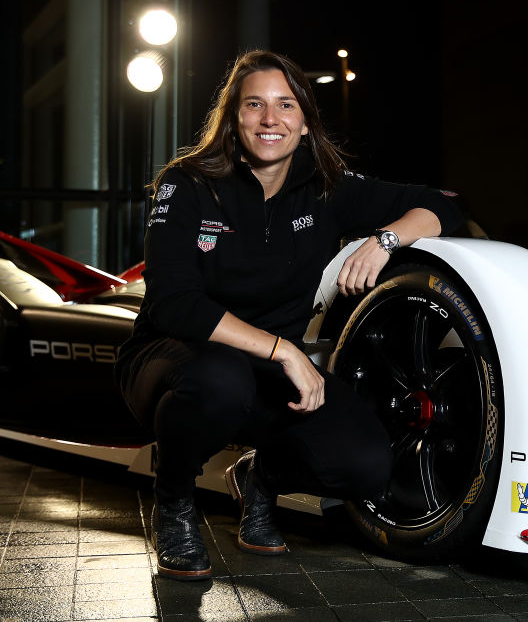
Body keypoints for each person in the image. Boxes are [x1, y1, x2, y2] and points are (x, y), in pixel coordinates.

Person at [114, 50, 463, 581]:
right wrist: (284, 351)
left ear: (305, 122)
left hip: (270, 372)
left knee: (366, 465)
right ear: (233, 118)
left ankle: (261, 478)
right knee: (220, 377)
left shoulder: (326, 187)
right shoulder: (187, 184)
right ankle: (175, 501)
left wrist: (384, 240)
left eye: (285, 105)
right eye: (254, 105)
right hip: (172, 360)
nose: (270, 119)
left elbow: (444, 204)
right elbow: (174, 304)